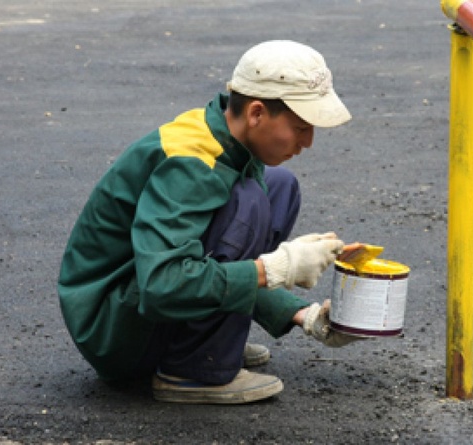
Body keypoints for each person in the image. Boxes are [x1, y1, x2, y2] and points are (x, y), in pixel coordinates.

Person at [57, 40, 361, 405]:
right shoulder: (191, 165)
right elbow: (162, 283)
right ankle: (193, 370)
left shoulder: (229, 140)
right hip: (113, 331)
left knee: (278, 187)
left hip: (136, 309)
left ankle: (211, 343)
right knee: (249, 200)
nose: (308, 141)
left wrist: (303, 314)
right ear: (257, 113)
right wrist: (276, 268)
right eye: (300, 127)